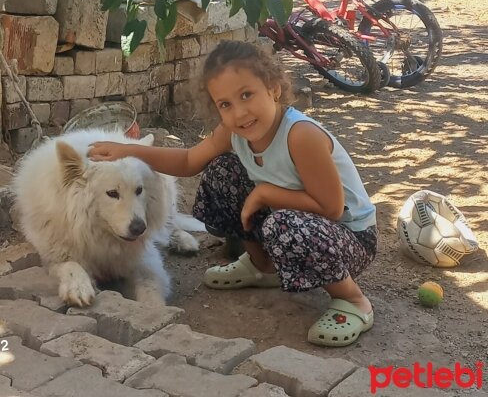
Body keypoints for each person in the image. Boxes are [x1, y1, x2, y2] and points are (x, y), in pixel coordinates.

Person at [89, 40, 377, 347]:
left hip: (349, 238)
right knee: (222, 171)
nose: (239, 113)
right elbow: (188, 161)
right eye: (225, 104)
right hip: (300, 221)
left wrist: (265, 193)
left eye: (246, 95)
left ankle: (353, 300)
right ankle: (262, 267)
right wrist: (129, 150)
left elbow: (331, 208)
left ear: (273, 88)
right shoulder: (234, 133)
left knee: (284, 225)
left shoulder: (301, 136)